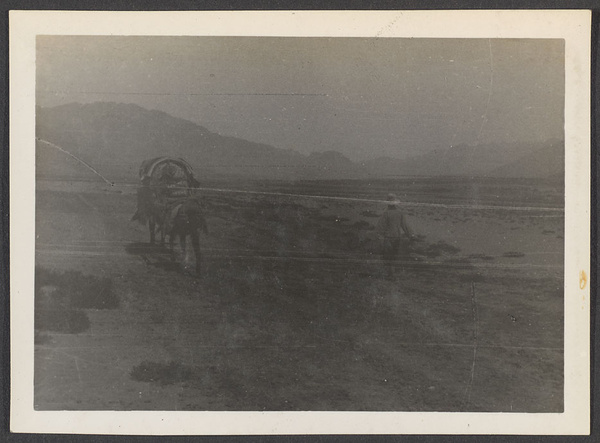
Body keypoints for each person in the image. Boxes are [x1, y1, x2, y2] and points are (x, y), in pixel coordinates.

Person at [375, 193, 415, 279]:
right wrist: (411, 235)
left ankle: (390, 274)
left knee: (388, 256)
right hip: (397, 237)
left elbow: (380, 226)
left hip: (388, 237)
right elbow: (404, 225)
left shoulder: (386, 213)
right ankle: (392, 274)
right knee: (393, 255)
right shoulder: (400, 213)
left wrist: (379, 235)